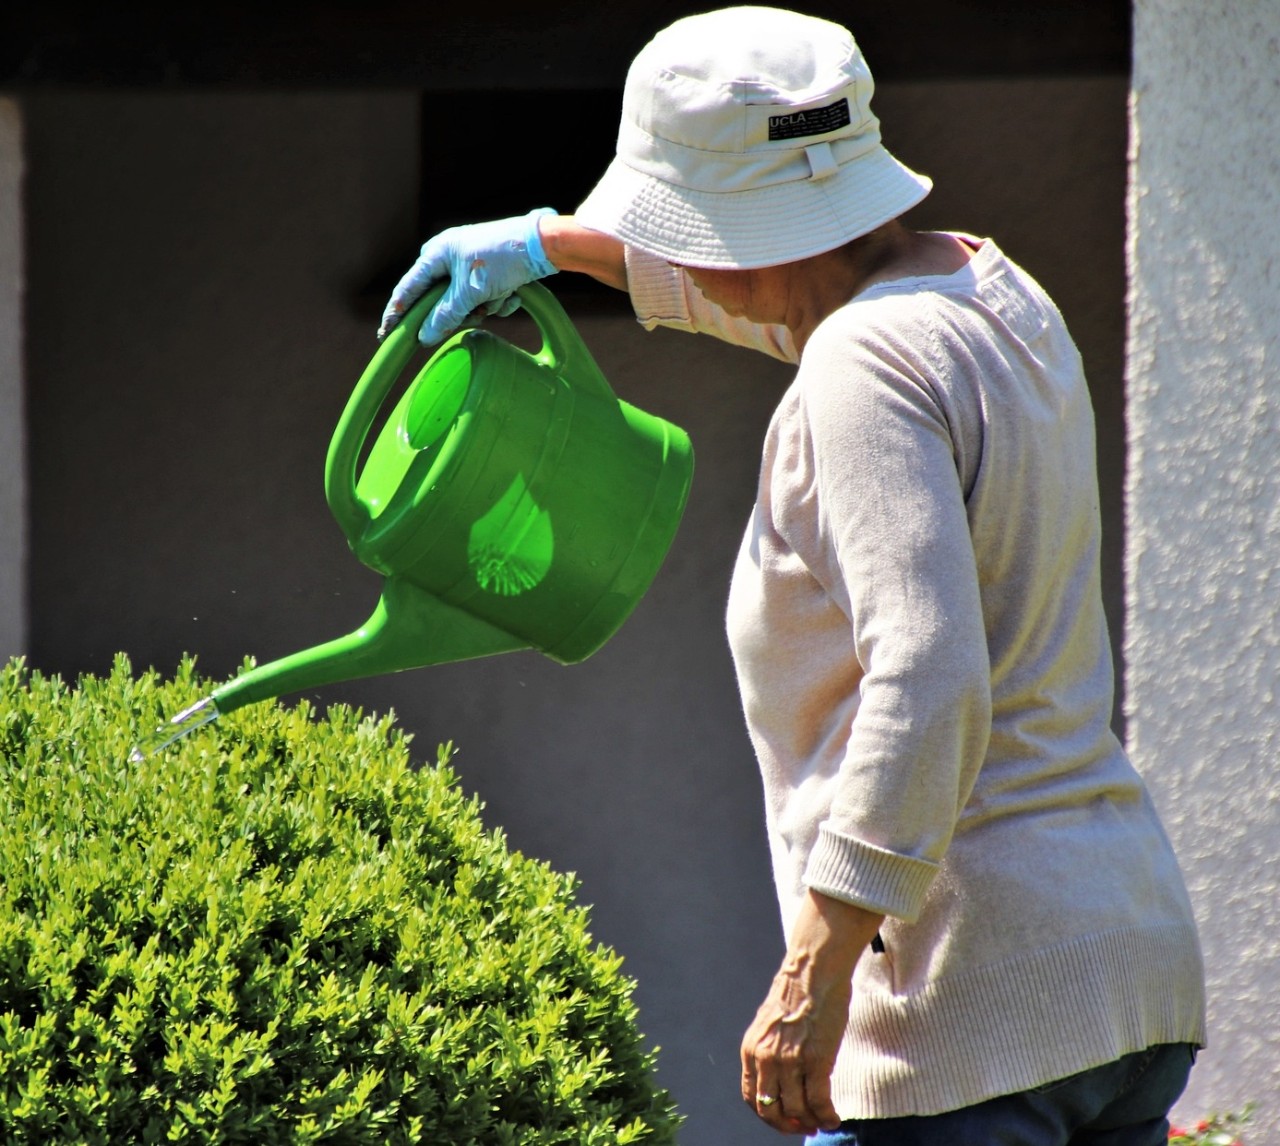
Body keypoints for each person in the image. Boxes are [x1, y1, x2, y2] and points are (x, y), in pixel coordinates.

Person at [378, 8, 1207, 1144]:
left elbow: (926, 680)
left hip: (964, 1010)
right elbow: (803, 311)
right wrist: (556, 245)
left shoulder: (857, 368)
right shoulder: (986, 292)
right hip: (1121, 966)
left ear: (738, 225)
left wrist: (809, 983)